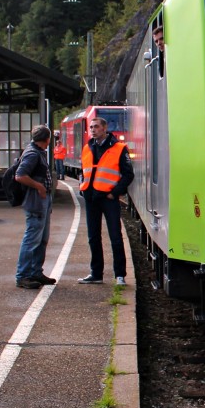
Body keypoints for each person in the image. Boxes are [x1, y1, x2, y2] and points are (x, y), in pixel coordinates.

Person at [77, 116, 134, 286]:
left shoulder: (119, 148)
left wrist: (114, 192)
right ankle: (96, 274)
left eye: (96, 126)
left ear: (104, 128)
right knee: (93, 237)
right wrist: (82, 186)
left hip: (108, 198)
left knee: (115, 237)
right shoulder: (88, 148)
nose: (93, 129)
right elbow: (84, 170)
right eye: (91, 127)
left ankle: (120, 275)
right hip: (91, 197)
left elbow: (128, 174)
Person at [14, 125, 56, 289]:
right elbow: (20, 175)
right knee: (32, 239)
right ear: (47, 139)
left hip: (41, 201)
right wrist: (39, 187)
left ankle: (35, 272)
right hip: (36, 201)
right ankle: (23, 275)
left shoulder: (37, 152)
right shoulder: (33, 154)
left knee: (42, 239)